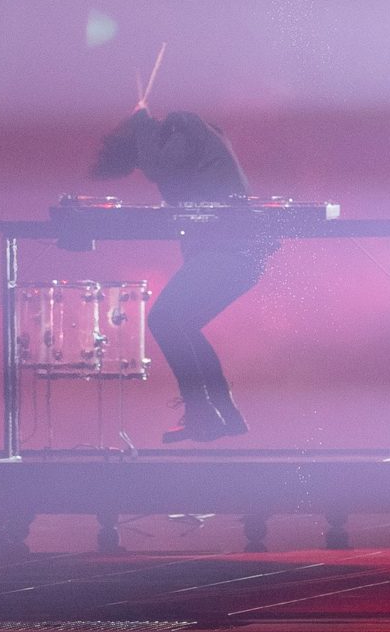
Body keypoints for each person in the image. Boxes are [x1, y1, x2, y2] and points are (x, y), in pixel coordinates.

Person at [91, 108, 269, 444]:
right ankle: (224, 415)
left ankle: (205, 415)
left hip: (231, 250)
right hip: (237, 252)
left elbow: (158, 166)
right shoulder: (194, 135)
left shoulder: (184, 128)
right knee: (180, 324)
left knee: (164, 320)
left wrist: (142, 127)